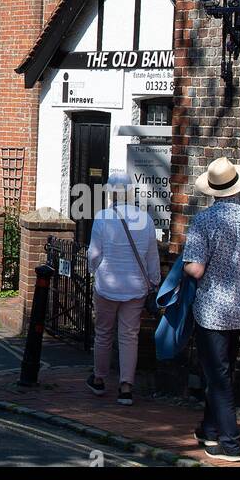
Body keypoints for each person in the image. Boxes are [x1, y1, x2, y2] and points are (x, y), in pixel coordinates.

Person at [181, 156, 240, 462]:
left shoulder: (204, 221)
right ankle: (209, 430)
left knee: (218, 377)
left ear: (213, 190)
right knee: (221, 371)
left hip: (212, 310)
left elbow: (195, 269)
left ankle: (231, 444)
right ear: (237, 186)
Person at [86, 172, 160, 406]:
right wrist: (154, 281)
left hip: (107, 284)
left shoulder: (102, 217)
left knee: (104, 333)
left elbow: (94, 254)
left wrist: (92, 271)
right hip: (136, 286)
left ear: (110, 193)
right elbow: (151, 256)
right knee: (129, 336)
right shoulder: (145, 219)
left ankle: (99, 379)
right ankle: (126, 386)